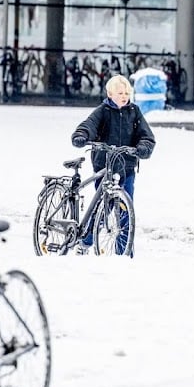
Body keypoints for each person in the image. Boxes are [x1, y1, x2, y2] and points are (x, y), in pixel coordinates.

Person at [71, 74, 156, 253]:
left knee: (125, 211)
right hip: (105, 166)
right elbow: (89, 125)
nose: (124, 96)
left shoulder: (134, 111)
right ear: (110, 94)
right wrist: (82, 135)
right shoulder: (103, 111)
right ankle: (86, 242)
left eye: (127, 93)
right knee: (103, 208)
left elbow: (146, 135)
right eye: (120, 93)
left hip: (126, 168)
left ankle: (123, 252)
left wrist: (143, 147)